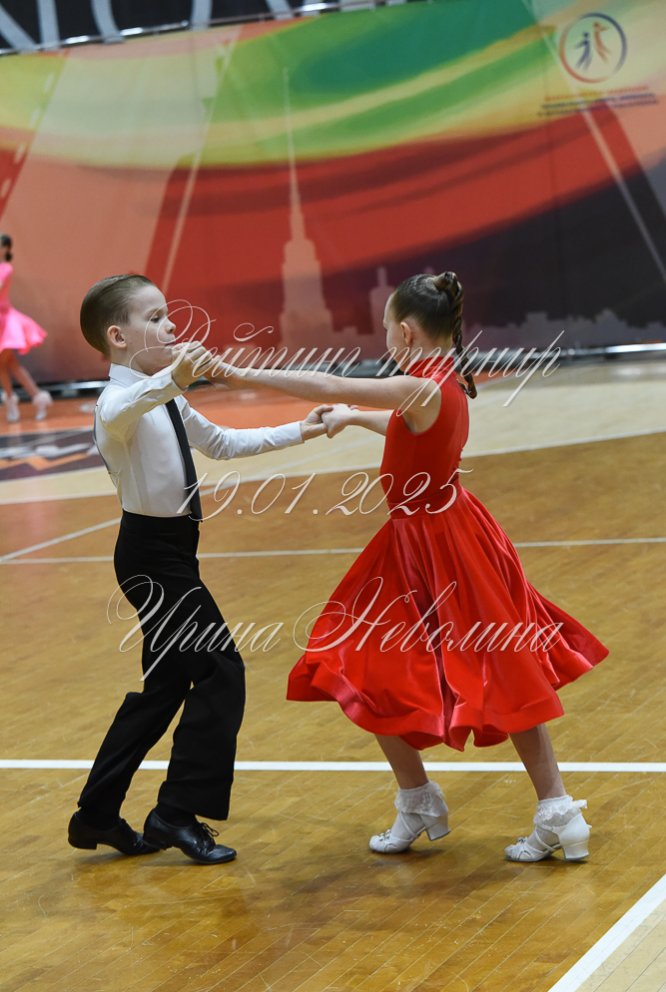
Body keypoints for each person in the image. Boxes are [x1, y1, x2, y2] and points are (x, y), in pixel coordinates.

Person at [210, 271, 609, 862]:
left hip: (433, 546)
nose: (384, 340)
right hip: (439, 535)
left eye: (384, 330)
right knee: (403, 661)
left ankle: (532, 807)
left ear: (404, 332)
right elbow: (407, 428)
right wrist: (352, 416)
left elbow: (329, 381)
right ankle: (483, 805)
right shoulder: (441, 380)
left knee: (401, 660)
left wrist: (239, 373)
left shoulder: (420, 384)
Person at [69, 273, 332, 865]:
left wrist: (303, 429)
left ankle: (96, 816)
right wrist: (175, 376)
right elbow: (128, 405)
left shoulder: (165, 394)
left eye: (168, 315)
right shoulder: (117, 403)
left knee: (165, 688)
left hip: (174, 552)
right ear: (117, 336)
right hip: (151, 559)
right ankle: (176, 813)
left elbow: (222, 443)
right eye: (155, 318)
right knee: (220, 670)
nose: (171, 326)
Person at [0, 233, 52, 422]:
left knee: (3, 363)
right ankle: (36, 397)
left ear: (6, 248)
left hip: (6, 321)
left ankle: (13, 400)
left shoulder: (6, 268)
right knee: (10, 364)